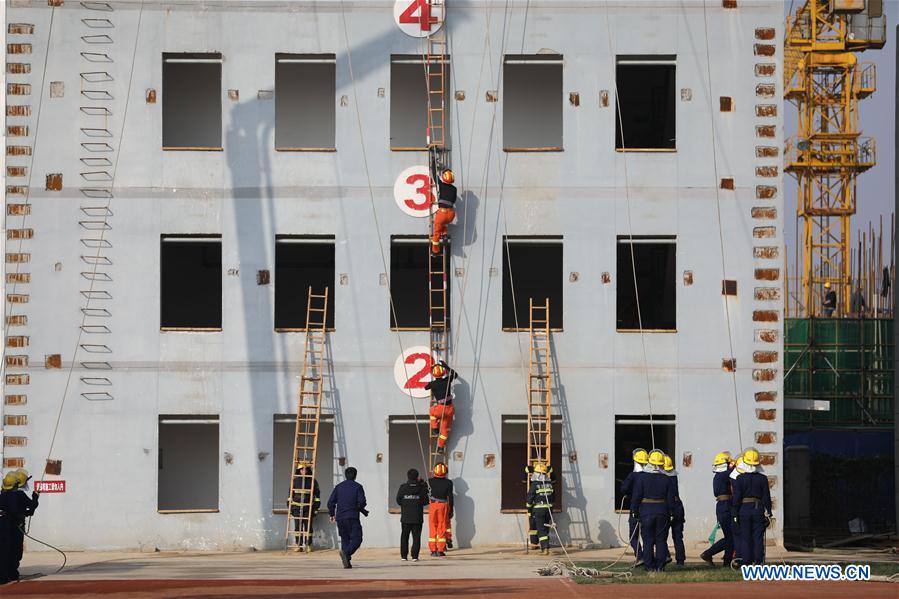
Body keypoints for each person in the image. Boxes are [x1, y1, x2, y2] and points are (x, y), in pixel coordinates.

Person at [631, 449, 674, 572]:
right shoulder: (667, 479)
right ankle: (660, 566)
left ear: (649, 462)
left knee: (648, 540)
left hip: (646, 512)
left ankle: (649, 566)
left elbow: (637, 496)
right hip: (662, 512)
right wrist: (671, 512)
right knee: (661, 540)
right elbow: (670, 498)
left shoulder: (642, 478)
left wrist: (634, 510)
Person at [731, 448, 772, 566]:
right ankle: (758, 561)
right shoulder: (763, 478)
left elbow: (736, 499)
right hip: (758, 509)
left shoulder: (740, 478)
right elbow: (766, 497)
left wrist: (734, 513)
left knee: (745, 537)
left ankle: (746, 561)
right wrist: (768, 512)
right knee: (758, 537)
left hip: (744, 510)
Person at [1, 469, 38, 583]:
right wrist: (35, 498)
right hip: (12, 526)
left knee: (5, 550)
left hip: (6, 525)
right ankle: (10, 574)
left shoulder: (3, 494)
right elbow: (30, 506)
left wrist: (26, 513)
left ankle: (6, 574)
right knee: (14, 550)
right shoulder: (18, 495)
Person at [327, 467, 367, 569]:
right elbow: (362, 502)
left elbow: (330, 502)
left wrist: (332, 514)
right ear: (355, 475)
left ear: (345, 475)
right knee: (357, 539)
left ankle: (347, 562)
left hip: (340, 518)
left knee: (345, 539)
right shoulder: (358, 487)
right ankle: (346, 553)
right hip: (352, 517)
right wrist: (360, 507)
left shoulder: (339, 487)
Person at [701, 451, 735, 567]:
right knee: (730, 537)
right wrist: (734, 465)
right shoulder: (724, 474)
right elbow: (733, 472)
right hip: (726, 505)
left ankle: (727, 560)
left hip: (723, 506)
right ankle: (709, 553)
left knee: (730, 536)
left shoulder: (719, 475)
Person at [620, 448, 649, 565]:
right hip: (648, 508)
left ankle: (640, 556)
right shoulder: (649, 476)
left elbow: (624, 489)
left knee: (633, 535)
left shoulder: (632, 476)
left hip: (635, 508)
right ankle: (649, 558)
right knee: (648, 536)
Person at [425, 360, 458, 453]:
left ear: (434, 374)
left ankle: (435, 428)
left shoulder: (432, 384)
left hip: (441, 409)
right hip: (450, 409)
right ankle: (440, 447)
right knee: (444, 431)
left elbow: (425, 387)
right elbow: (455, 375)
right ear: (443, 372)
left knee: (431, 411)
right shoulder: (447, 381)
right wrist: (446, 366)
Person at [396, 468, 428, 562]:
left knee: (404, 537)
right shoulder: (422, 488)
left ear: (408, 476)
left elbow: (398, 500)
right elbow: (426, 501)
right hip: (417, 517)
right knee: (416, 537)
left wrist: (406, 504)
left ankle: (404, 556)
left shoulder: (403, 487)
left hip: (405, 517)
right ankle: (415, 556)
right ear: (417, 477)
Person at [288, 463, 320, 552]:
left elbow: (317, 496)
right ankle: (299, 545)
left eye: (305, 469)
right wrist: (290, 507)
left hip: (308, 507)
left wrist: (316, 508)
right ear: (299, 470)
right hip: (297, 507)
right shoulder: (294, 480)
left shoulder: (313, 481)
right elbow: (290, 494)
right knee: (297, 528)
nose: (303, 471)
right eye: (302, 469)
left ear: (308, 470)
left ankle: (308, 545)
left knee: (308, 527)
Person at [526, 462, 555, 556]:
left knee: (541, 528)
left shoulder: (535, 484)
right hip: (549, 509)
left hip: (539, 510)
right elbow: (554, 497)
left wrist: (529, 509)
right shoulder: (550, 484)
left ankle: (545, 549)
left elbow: (530, 498)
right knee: (546, 527)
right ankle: (546, 545)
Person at [663, 455, 685, 566]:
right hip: (678, 506)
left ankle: (666, 555)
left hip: (668, 507)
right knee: (678, 536)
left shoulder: (663, 478)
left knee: (661, 536)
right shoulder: (673, 476)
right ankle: (680, 560)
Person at [427, 463, 453, 557]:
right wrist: (451, 511)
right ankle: (441, 549)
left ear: (435, 471)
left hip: (433, 505)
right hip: (443, 506)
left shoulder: (429, 481)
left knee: (433, 526)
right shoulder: (448, 483)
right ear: (445, 471)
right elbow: (450, 497)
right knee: (442, 526)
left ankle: (433, 550)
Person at [430, 168, 457, 254]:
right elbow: (454, 200)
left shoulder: (441, 185)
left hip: (442, 213)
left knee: (436, 233)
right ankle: (445, 234)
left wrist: (433, 165)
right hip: (451, 214)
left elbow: (434, 176)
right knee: (444, 223)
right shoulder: (454, 189)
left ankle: (435, 251)